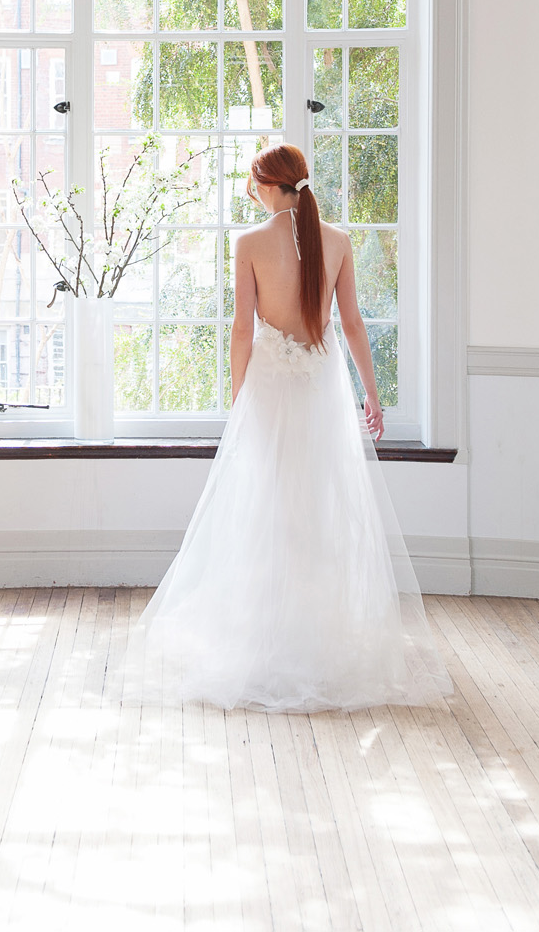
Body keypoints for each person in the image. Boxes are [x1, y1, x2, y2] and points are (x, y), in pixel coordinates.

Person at [125, 141, 452, 712]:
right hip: (322, 393)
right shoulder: (338, 241)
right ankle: (316, 636)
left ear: (269, 184)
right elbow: (351, 324)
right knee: (318, 509)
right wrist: (373, 396)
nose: (251, 191)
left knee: (265, 508)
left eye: (253, 182)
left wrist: (238, 401)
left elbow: (242, 333)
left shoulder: (250, 243)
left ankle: (266, 636)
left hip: (271, 394)